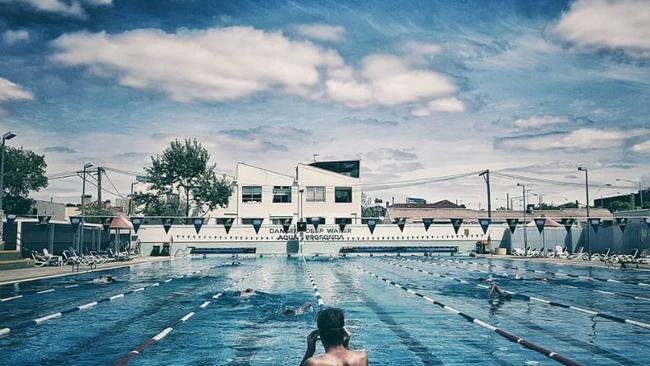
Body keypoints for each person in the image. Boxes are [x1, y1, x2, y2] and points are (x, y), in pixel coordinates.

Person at [301, 308, 367, 366]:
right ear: (343, 332)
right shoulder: (361, 357)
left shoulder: (314, 363)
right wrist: (346, 346)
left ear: (319, 334)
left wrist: (309, 352)